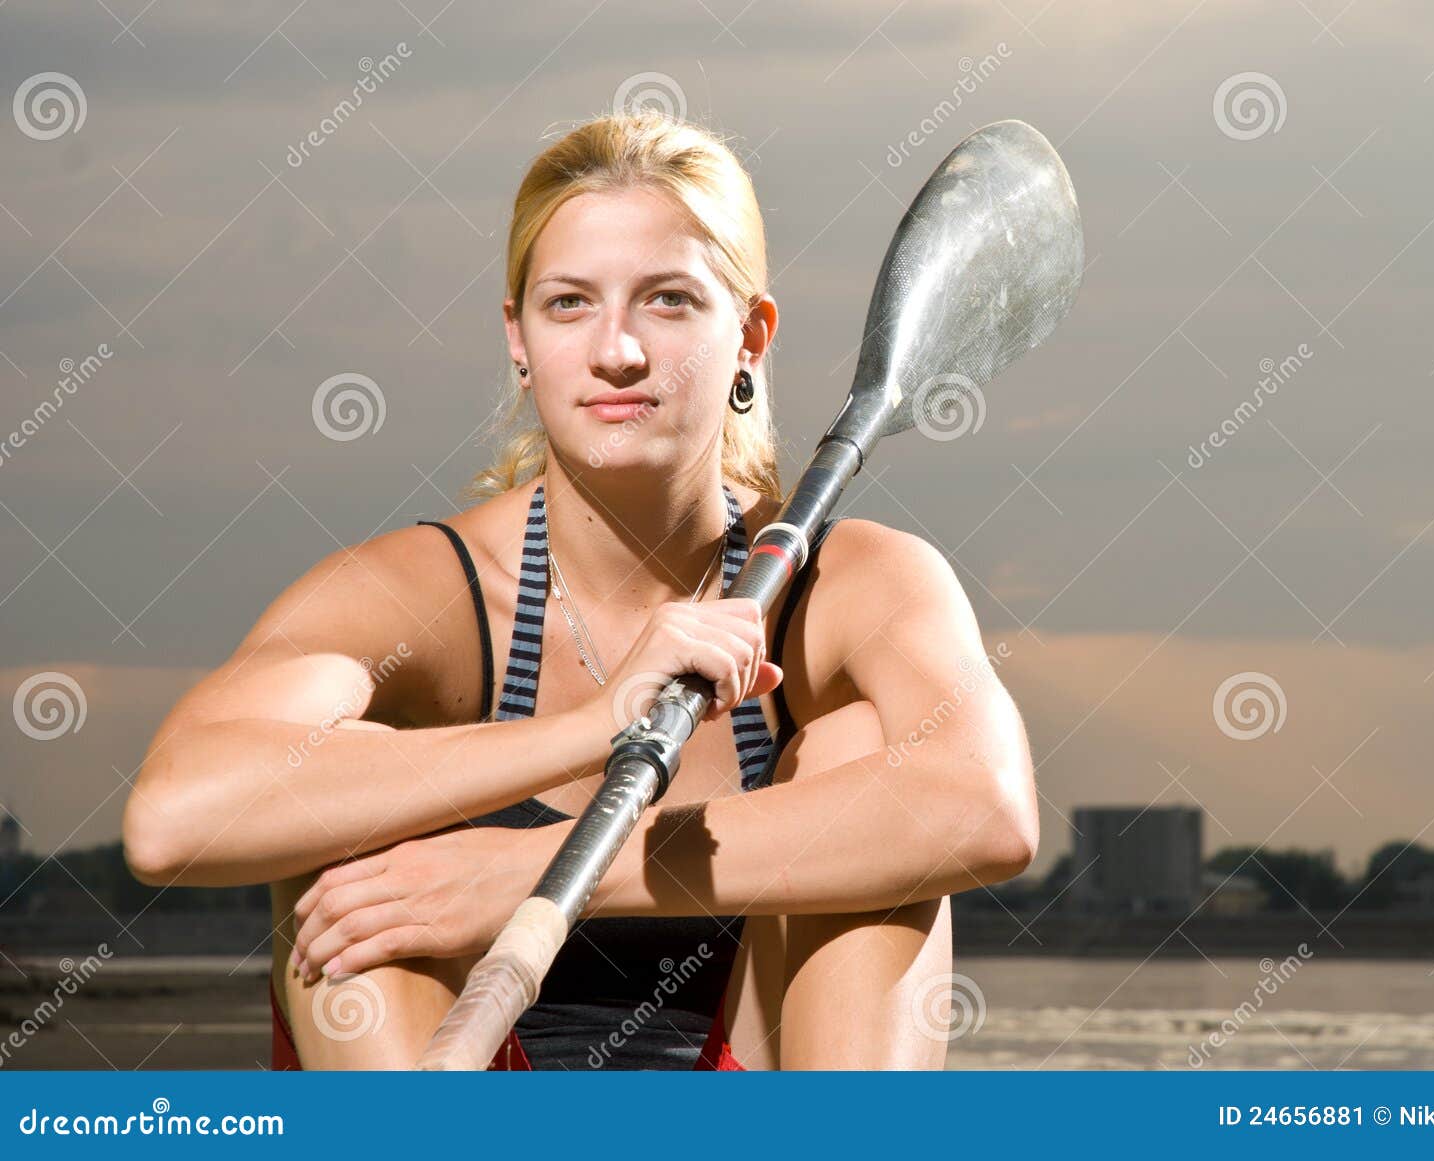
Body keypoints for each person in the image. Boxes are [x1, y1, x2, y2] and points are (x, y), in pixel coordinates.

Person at [122, 110, 1038, 1070]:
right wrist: (593, 723)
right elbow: (171, 817)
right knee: (350, 801)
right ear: (518, 339)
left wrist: (536, 868)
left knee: (860, 746)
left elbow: (986, 807)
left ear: (750, 339)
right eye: (569, 305)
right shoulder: (427, 594)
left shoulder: (852, 583)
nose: (618, 352)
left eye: (670, 301)